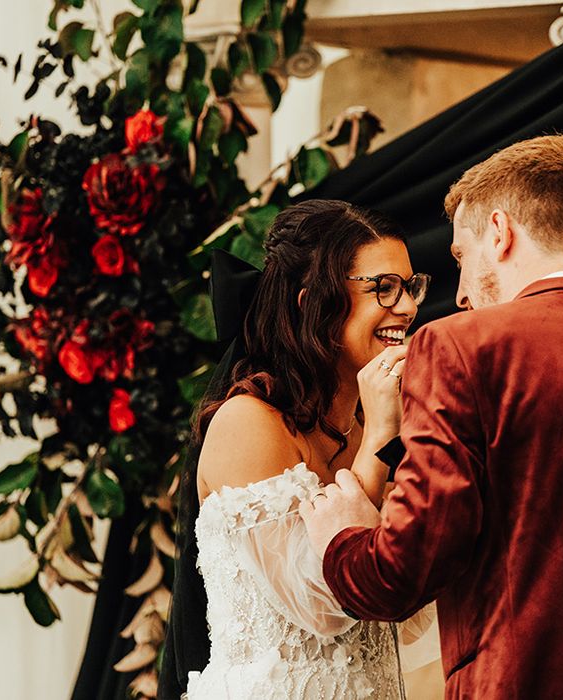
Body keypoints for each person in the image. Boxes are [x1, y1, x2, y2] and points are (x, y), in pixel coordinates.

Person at [300, 134, 563, 699]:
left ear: (500, 231)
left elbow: (401, 574)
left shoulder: (464, 346)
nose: (461, 295)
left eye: (461, 258)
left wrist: (340, 538)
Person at [159, 199, 438, 699]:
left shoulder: (373, 424)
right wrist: (378, 440)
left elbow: (408, 605)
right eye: (384, 288)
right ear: (312, 303)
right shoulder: (248, 423)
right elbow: (320, 603)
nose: (408, 307)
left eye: (410, 286)